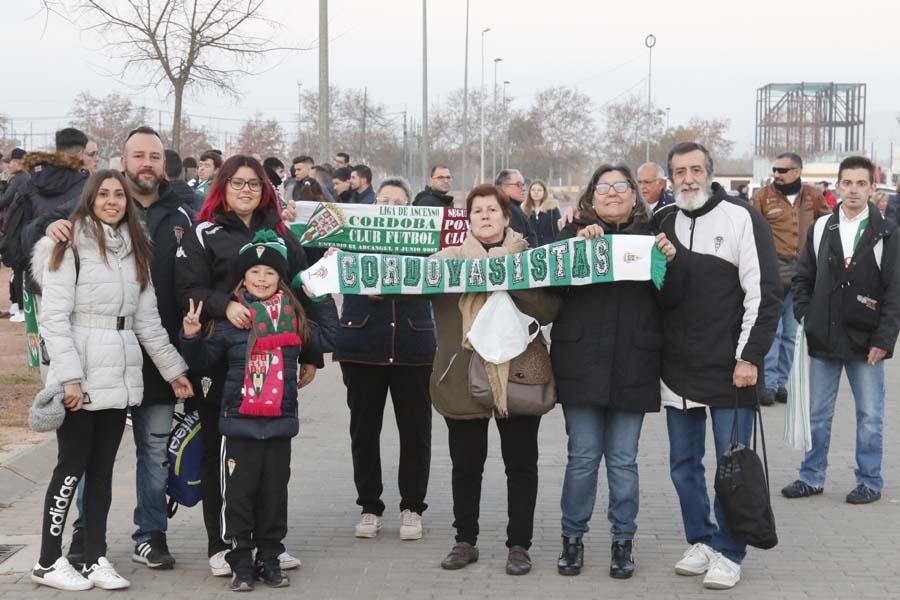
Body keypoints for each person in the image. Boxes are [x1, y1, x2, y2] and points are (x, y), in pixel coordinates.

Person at [40, 126, 197, 572]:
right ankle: (77, 544)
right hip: (93, 366)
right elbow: (53, 303)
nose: (146, 163)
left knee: (149, 454)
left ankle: (145, 537)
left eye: (154, 155)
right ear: (122, 161)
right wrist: (47, 227)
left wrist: (176, 366)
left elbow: (148, 317)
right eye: (138, 155)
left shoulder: (179, 216)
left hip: (147, 356)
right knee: (86, 462)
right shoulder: (76, 231)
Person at [176, 154, 334, 577]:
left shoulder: (281, 232)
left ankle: (269, 544)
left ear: (265, 188)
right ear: (222, 187)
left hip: (273, 366)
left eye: (253, 183)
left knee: (269, 464)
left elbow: (304, 288)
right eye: (237, 182)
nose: (245, 190)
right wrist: (223, 306)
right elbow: (189, 286)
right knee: (221, 455)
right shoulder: (203, 231)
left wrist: (311, 354)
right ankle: (223, 544)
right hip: (222, 358)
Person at [656, 142, 780, 590]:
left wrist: (749, 357)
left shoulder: (742, 218)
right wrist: (587, 230)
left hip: (731, 370)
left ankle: (730, 550)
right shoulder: (661, 222)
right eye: (679, 171)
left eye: (695, 169)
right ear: (670, 179)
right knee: (683, 464)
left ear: (710, 173)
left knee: (732, 467)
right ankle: (703, 540)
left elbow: (764, 294)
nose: (687, 178)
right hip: (677, 371)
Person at [553, 165, 675, 580]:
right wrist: (573, 248)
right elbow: (550, 291)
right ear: (591, 195)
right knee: (582, 458)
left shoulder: (652, 239)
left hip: (633, 365)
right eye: (603, 187)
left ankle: (623, 542)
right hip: (580, 364)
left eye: (620, 187)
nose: (612, 193)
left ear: (634, 196)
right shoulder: (572, 235)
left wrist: (669, 264)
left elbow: (671, 302)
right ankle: (573, 538)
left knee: (624, 461)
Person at [431, 184, 559, 576]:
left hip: (516, 373)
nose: (485, 216)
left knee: (520, 464)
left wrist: (510, 280)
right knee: (466, 466)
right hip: (462, 375)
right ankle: (464, 540)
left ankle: (519, 545)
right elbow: (401, 285)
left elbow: (550, 306)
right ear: (467, 221)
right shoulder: (446, 262)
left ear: (507, 218)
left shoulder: (529, 260)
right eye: (477, 211)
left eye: (492, 210)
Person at [782, 155, 900, 506]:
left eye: (861, 183)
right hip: (825, 337)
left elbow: (894, 291)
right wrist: (806, 315)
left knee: (870, 417)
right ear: (837, 186)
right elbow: (803, 277)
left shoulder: (887, 232)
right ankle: (811, 476)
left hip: (867, 343)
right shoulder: (821, 227)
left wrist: (884, 339)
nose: (853, 190)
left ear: (872, 188)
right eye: (847, 183)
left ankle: (869, 480)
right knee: (817, 414)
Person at [334, 176, 435, 541]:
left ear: (409, 211)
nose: (390, 208)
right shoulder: (350, 240)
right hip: (362, 346)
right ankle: (370, 505)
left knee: (415, 432)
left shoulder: (425, 245)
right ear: (372, 208)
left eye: (398, 203)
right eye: (383, 202)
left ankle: (412, 506)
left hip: (414, 347)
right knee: (364, 431)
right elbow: (314, 266)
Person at [751, 152, 830, 406]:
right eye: (774, 169)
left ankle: (782, 381)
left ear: (797, 172)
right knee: (773, 330)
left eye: (782, 170)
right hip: (773, 270)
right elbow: (750, 229)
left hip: (804, 272)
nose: (776, 174)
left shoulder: (813, 196)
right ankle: (769, 384)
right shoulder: (762, 197)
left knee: (793, 332)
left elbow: (828, 223)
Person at [0, 147, 30, 321]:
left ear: (18, 162)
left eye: (9, 161)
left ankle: (21, 308)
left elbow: (3, 201)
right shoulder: (25, 178)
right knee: (18, 271)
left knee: (18, 270)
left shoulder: (18, 179)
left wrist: (2, 185)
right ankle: (17, 305)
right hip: (21, 232)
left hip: (16, 232)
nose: (7, 165)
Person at [495, 169, 538, 248]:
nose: (524, 188)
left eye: (523, 184)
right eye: (518, 185)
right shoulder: (509, 210)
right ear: (503, 187)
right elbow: (516, 247)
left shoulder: (512, 207)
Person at [522, 179, 559, 247]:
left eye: (539, 190)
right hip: (530, 249)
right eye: (533, 190)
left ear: (544, 192)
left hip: (549, 248)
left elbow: (558, 230)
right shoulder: (524, 210)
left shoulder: (552, 209)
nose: (536, 192)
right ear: (529, 192)